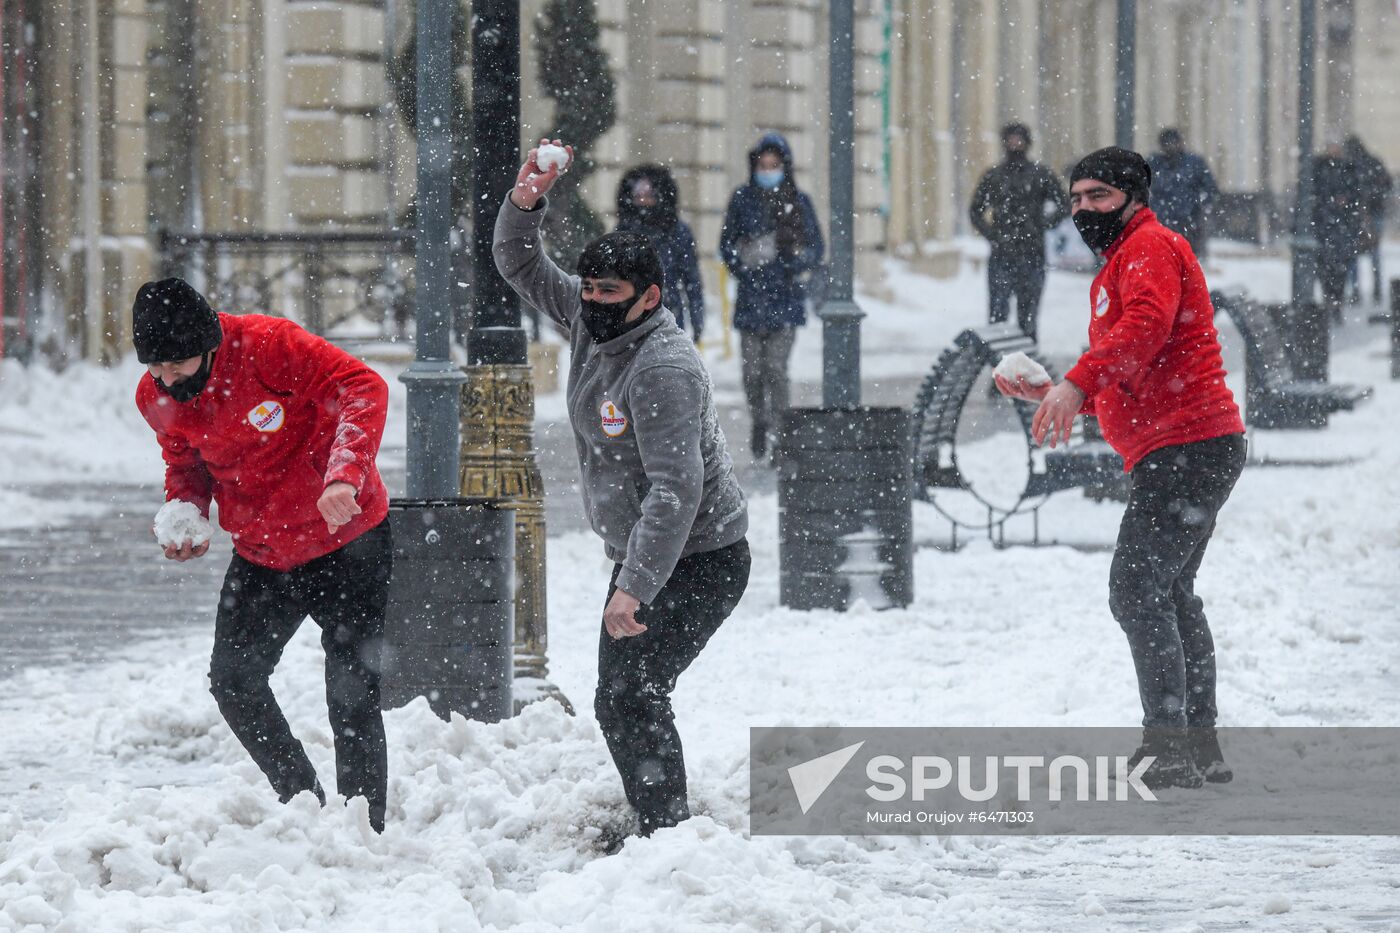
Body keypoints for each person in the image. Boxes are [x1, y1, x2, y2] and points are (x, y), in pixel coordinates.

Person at [496, 139, 750, 847]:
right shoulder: (588, 320)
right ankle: (664, 827)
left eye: (610, 293)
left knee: (628, 694)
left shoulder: (662, 367)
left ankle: (667, 836)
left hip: (702, 556)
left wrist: (634, 586)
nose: (594, 302)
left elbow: (676, 489)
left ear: (650, 298)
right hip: (648, 551)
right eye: (589, 289)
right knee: (626, 696)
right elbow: (518, 263)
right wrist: (526, 200)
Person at [995, 147, 1246, 789]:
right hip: (1188, 447)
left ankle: (1170, 749)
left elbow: (1147, 327)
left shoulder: (1150, 247)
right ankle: (1196, 744)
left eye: (1099, 197)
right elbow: (1137, 363)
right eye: (1076, 199)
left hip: (1187, 448)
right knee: (1168, 592)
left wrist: (1079, 384)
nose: (1084, 210)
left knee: (1136, 591)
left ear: (1133, 197)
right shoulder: (1125, 258)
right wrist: (1063, 389)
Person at [132, 278, 393, 832]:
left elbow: (363, 386)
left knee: (352, 690)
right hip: (263, 550)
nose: (167, 379)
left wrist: (344, 475)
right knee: (233, 681)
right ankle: (302, 801)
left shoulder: (271, 346)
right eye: (156, 367)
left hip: (345, 537)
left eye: (177, 363)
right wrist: (187, 512)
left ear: (207, 342)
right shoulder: (155, 395)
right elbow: (185, 465)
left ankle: (364, 830)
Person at [719, 132, 824, 460]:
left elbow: (815, 248)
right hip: (751, 299)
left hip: (785, 299)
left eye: (774, 165)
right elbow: (726, 244)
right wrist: (743, 265)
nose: (768, 170)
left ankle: (782, 434)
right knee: (752, 373)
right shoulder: (741, 199)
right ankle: (759, 420)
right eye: (763, 164)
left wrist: (792, 262)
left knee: (776, 370)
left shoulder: (799, 201)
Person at [968, 122, 1070, 342]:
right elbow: (975, 211)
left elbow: (1065, 204)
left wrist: (1042, 224)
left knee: (1028, 318)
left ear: (1027, 143)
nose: (1015, 143)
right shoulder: (994, 175)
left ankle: (1027, 371)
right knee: (997, 317)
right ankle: (1000, 371)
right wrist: (993, 235)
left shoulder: (1040, 174)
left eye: (1019, 139)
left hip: (1032, 254)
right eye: (1011, 139)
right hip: (1002, 254)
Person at [615, 164, 706, 341]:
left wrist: (697, 319)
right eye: (638, 196)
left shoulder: (678, 232)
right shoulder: (622, 232)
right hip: (630, 319)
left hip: (669, 315)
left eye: (649, 196)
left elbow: (692, 279)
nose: (643, 202)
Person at [1311, 141, 1364, 322]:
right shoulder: (1319, 169)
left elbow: (1357, 194)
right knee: (1325, 266)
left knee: (1340, 268)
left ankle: (1336, 301)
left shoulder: (1348, 169)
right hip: (1325, 226)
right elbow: (1314, 195)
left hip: (1342, 227)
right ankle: (1330, 300)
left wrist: (1346, 202)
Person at [1147, 128, 1219, 259]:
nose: (1170, 147)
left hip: (1189, 217)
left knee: (1190, 254)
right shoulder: (1154, 163)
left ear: (1180, 143)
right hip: (1162, 218)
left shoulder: (1194, 163)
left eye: (1173, 143)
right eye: (1166, 144)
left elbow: (1210, 187)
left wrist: (1203, 205)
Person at [1344, 135, 1392, 305]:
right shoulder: (1372, 163)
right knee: (1374, 253)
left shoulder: (1349, 166)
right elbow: (1387, 184)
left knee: (1354, 254)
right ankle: (1376, 288)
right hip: (1373, 212)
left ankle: (1357, 290)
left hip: (1357, 214)